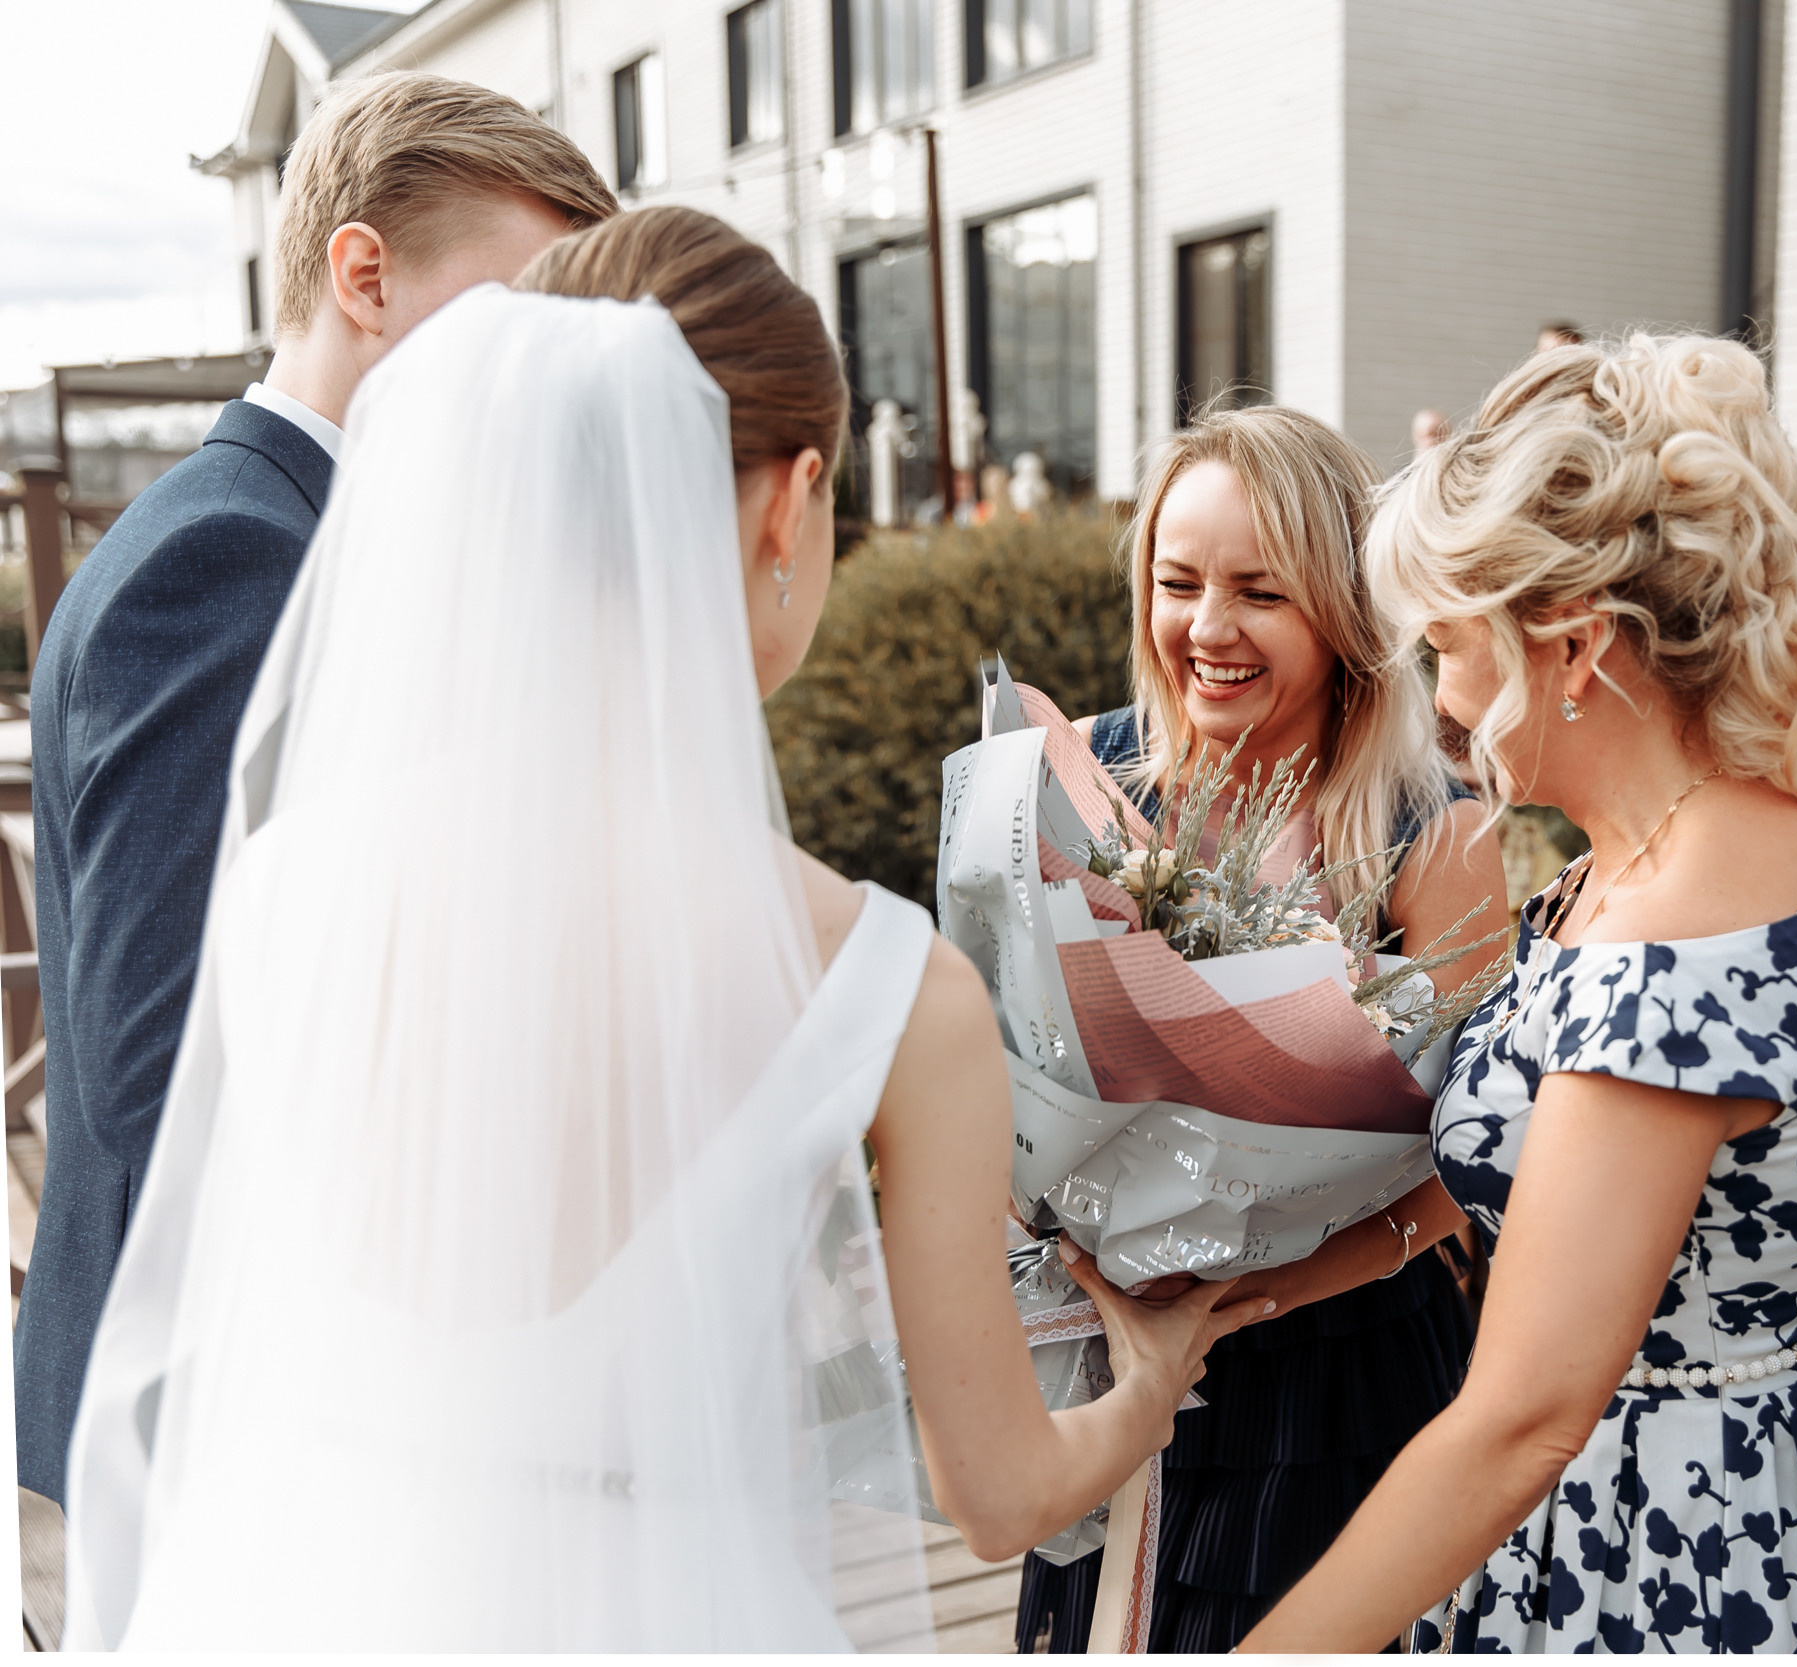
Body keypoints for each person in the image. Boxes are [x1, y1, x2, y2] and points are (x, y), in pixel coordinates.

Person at [59, 208, 1249, 1650]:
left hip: (305, 1585)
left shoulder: (290, 874)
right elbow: (997, 1493)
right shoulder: (884, 982)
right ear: (790, 501)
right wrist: (1149, 1382)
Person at [1243, 333, 1797, 1653]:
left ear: (1570, 648)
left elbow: (1525, 1416)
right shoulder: (1726, 833)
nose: (1440, 697)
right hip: (1769, 1476)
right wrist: (1251, 1287)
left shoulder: (1668, 951)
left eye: (1452, 645)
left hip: (1660, 1543)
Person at [15, 71, 618, 1510]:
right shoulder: (231, 562)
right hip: (232, 1420)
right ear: (367, 277)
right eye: (520, 316)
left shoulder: (302, 537)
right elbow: (161, 1063)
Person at [1016, 405, 1510, 1653]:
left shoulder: (1433, 834)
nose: (1207, 628)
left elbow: (1469, 1170)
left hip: (1332, 1381)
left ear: (1346, 612)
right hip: (1106, 1360)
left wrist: (1262, 1289)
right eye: (1177, 583)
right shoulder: (1083, 781)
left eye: (1260, 592)